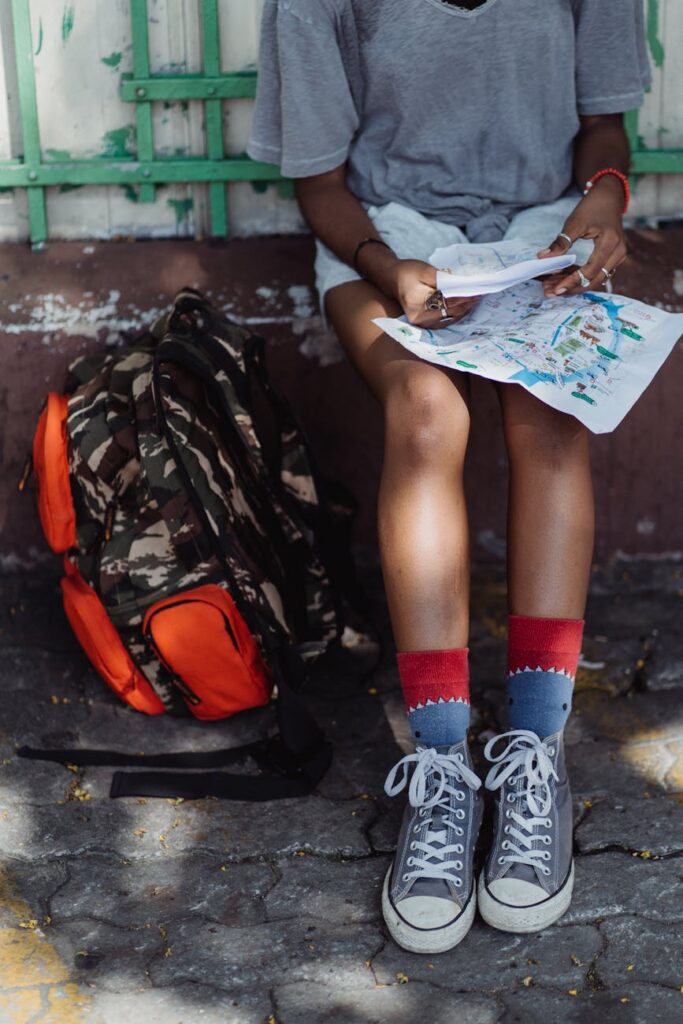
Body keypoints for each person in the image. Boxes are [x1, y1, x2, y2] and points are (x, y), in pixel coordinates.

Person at [248, 0, 651, 954]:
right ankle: (440, 769)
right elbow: (320, 183)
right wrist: (392, 268)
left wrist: (602, 197)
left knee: (550, 407)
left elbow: (602, 128)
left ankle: (533, 754)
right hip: (388, 237)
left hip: (540, 240)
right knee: (427, 411)